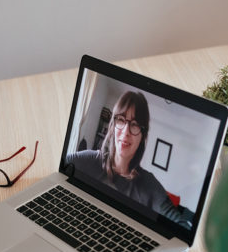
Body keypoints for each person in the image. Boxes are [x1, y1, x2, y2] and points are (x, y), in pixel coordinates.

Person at [66, 91, 187, 225]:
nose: (126, 131)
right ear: (112, 126)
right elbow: (57, 168)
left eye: (134, 124)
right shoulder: (89, 161)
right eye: (121, 120)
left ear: (142, 135)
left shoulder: (149, 186)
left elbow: (179, 225)